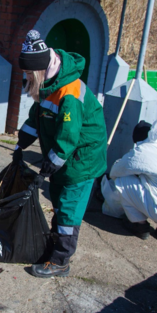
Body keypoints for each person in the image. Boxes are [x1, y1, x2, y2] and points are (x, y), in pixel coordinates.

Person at [13, 30, 107, 278]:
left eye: (28, 74)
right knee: (57, 200)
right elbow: (36, 118)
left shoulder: (69, 93)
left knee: (68, 209)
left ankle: (60, 260)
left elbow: (68, 137)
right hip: (66, 156)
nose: (26, 78)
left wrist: (49, 165)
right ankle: (54, 243)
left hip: (82, 160)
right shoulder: (48, 85)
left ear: (40, 70)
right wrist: (21, 144)